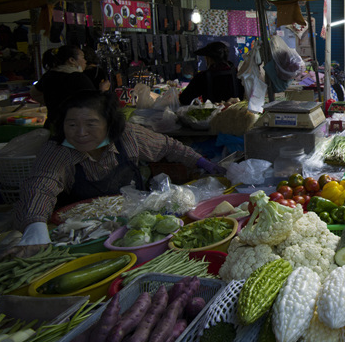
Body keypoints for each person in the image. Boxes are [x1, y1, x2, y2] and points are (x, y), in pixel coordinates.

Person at [12, 90, 225, 256]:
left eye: (91, 124)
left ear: (108, 123)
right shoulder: (58, 151)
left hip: (137, 229)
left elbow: (169, 147)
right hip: (82, 237)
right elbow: (40, 186)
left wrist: (201, 162)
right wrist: (35, 225)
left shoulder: (128, 136)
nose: (81, 133)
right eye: (72, 124)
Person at [30, 45, 109, 126]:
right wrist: (103, 90)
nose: (85, 61)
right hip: (73, 128)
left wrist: (53, 103)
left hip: (52, 125)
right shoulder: (77, 77)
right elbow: (94, 104)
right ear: (71, 60)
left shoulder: (48, 75)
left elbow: (34, 93)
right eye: (83, 57)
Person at [179, 41, 243, 106]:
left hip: (212, 115)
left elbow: (184, 99)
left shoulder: (202, 77)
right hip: (236, 114)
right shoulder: (239, 74)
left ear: (208, 58)